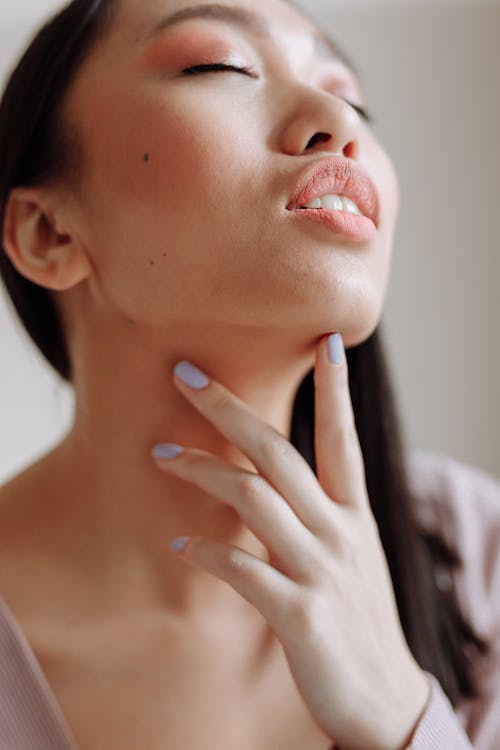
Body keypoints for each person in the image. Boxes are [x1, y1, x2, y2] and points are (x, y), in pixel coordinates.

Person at [0, 0, 498, 748]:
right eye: (221, 65)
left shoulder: (478, 556)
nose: (337, 116)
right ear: (48, 233)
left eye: (352, 94)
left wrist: (403, 715)